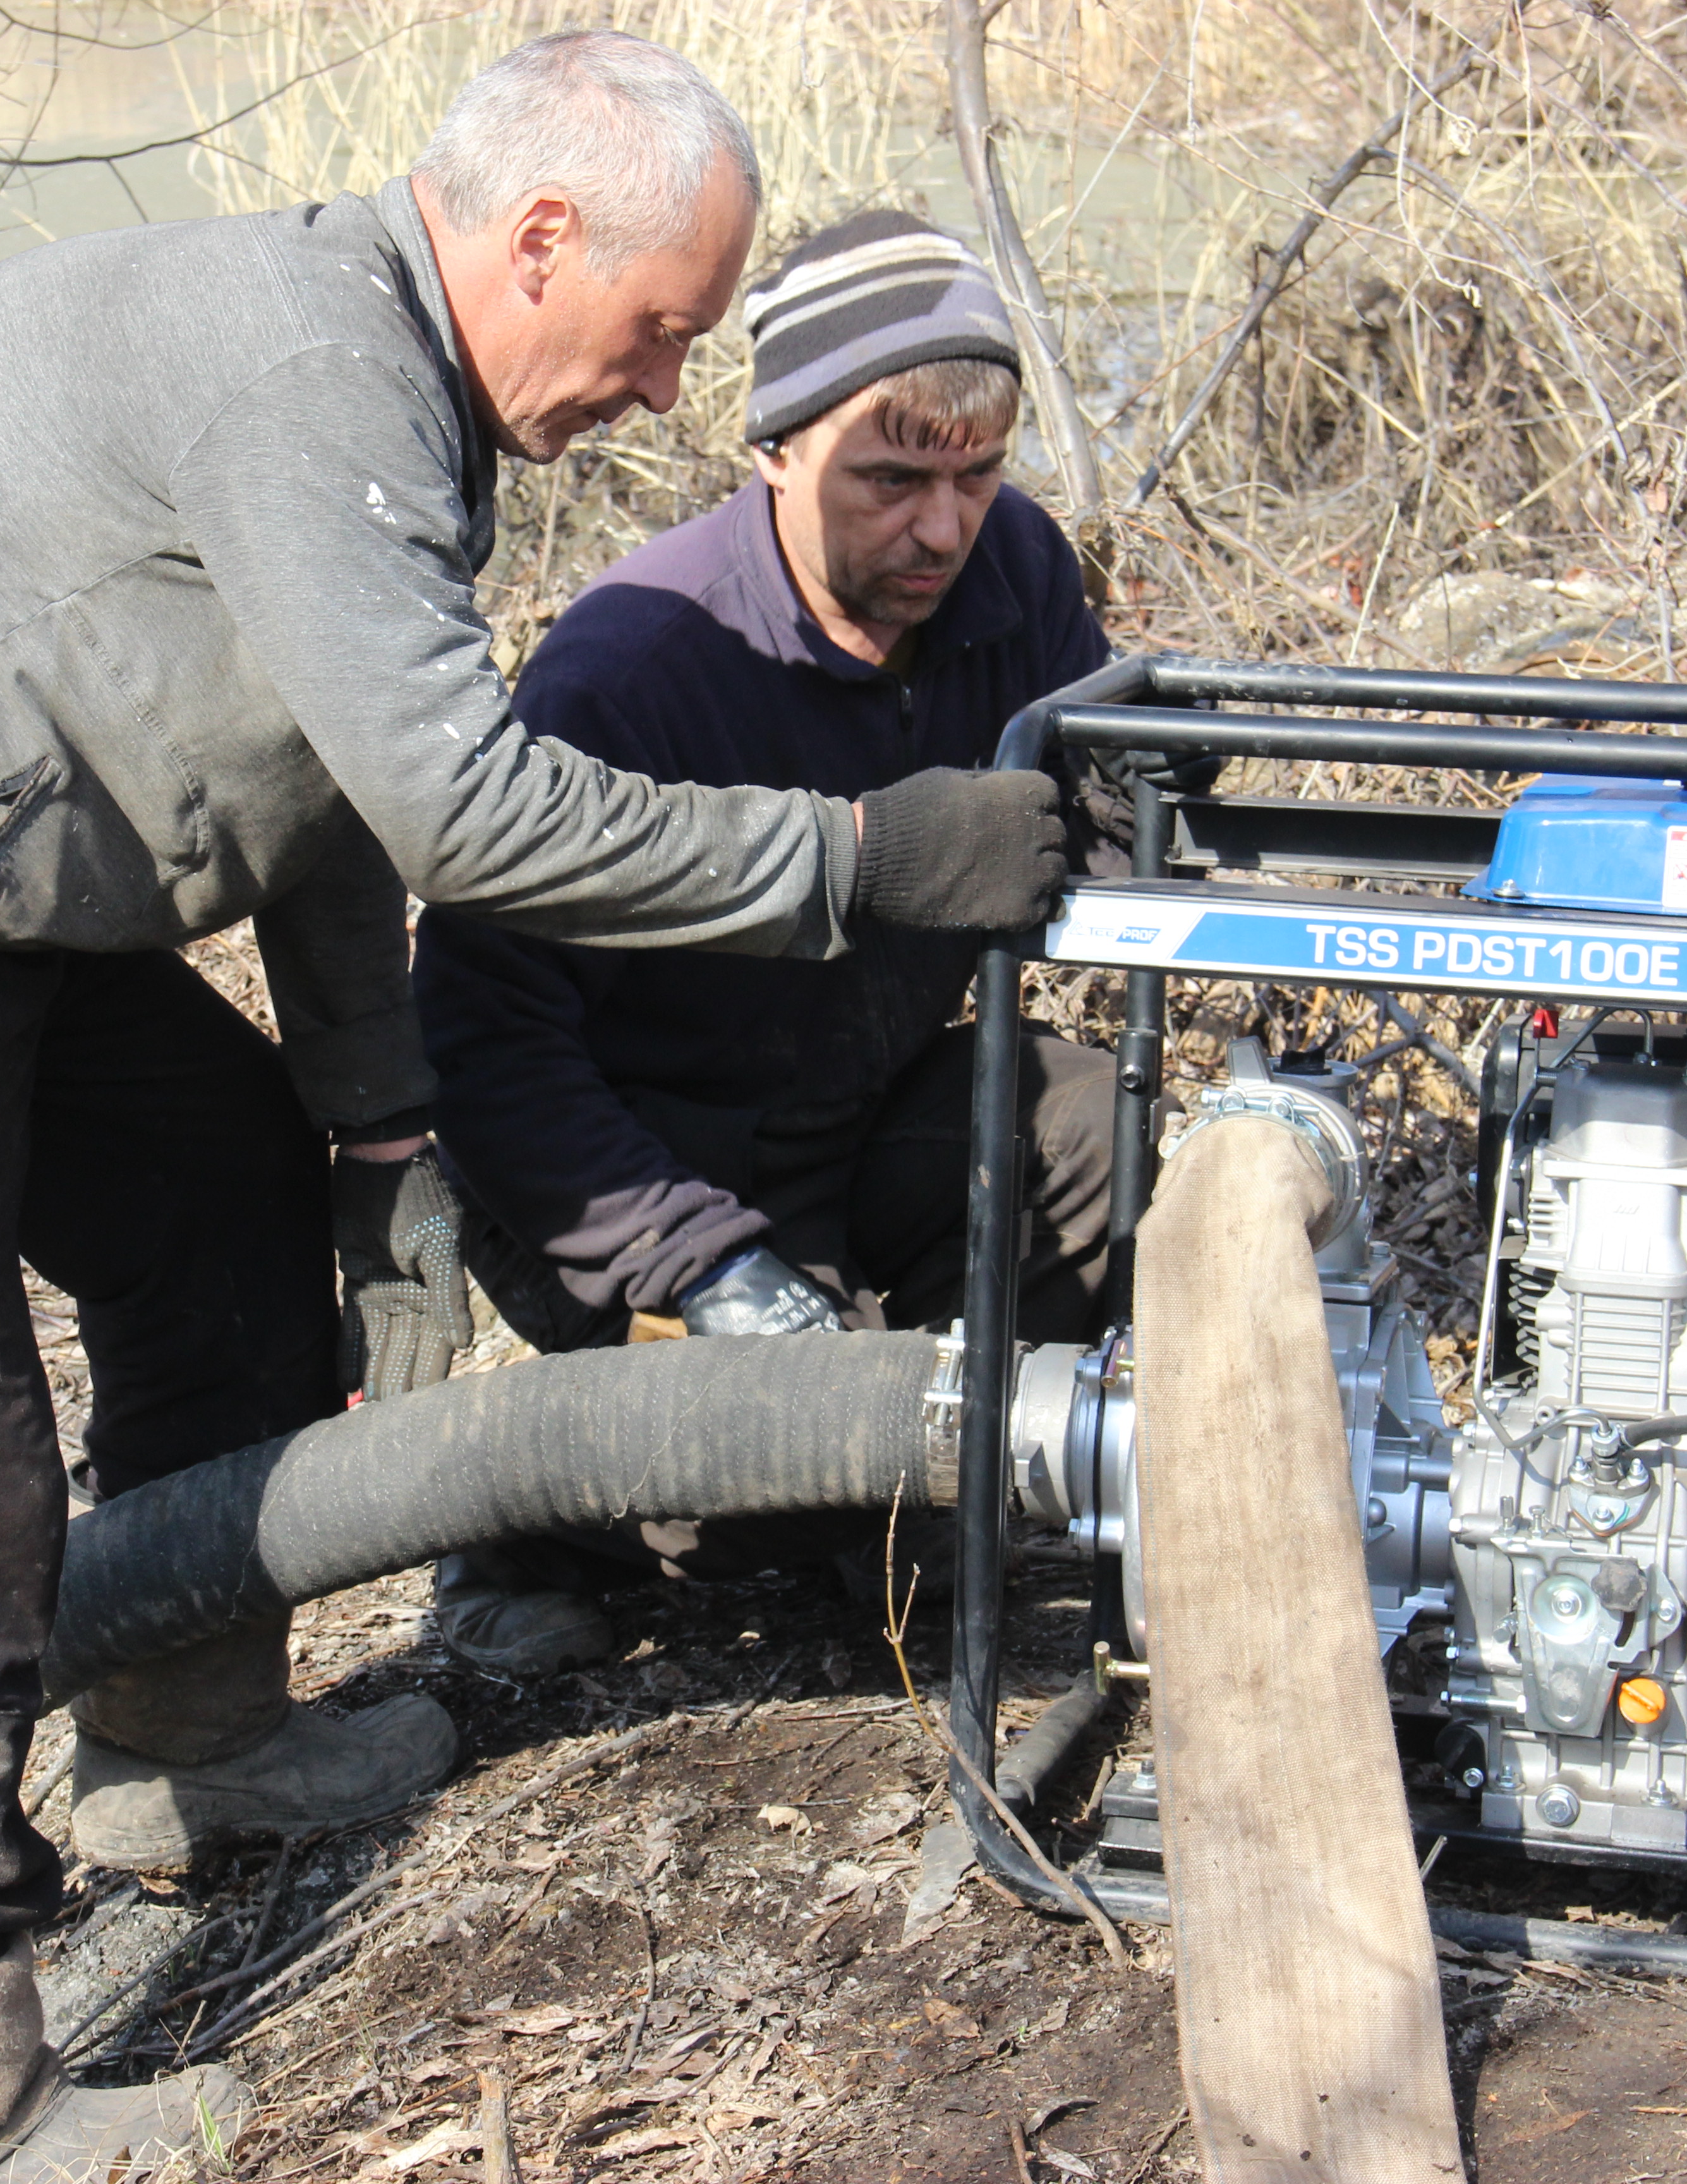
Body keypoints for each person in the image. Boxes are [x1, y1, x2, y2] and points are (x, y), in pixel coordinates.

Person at [0, 39, 1072, 2181]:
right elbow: (460, 807)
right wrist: (856, 861)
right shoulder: (316, 380)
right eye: (654, 338)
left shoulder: (389, 391)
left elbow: (325, 778)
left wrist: (370, 1126)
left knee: (223, 1210)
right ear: (539, 239)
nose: (657, 399)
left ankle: (182, 1732)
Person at [414, 210, 1189, 1677]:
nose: (943, 531)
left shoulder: (1011, 575)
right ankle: (521, 1515)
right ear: (776, 448)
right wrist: (701, 1266)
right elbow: (480, 1044)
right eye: (892, 481)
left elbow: (1105, 807)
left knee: (1097, 1121)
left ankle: (913, 1487)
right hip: (633, 1169)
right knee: (762, 1498)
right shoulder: (636, 672)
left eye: (975, 475)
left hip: (857, 1107)